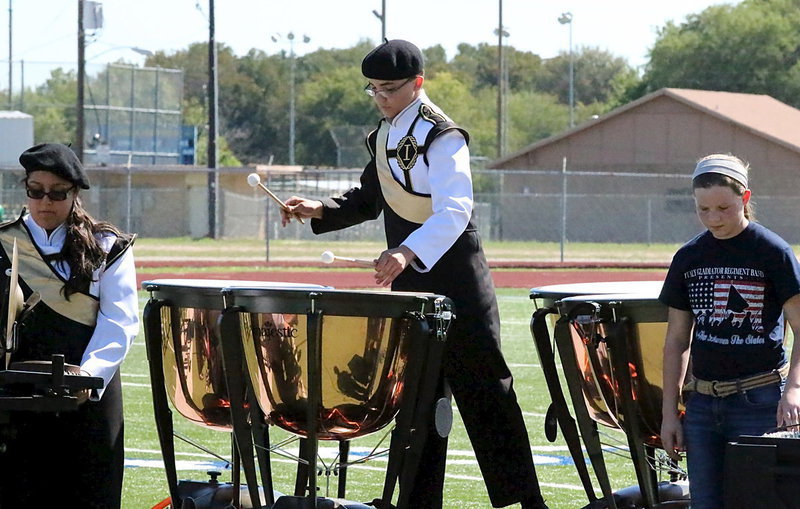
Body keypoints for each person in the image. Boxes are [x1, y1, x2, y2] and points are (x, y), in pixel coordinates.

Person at [280, 40, 547, 509]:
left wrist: (405, 251)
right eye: (373, 90)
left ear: (416, 84)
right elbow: (368, 197)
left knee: (486, 394)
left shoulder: (443, 135)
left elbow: (455, 210)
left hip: (458, 279)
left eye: (389, 88)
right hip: (413, 282)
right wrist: (317, 208)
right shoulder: (383, 134)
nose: (380, 97)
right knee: (418, 401)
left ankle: (527, 502)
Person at [0, 143, 139, 508]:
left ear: (74, 194)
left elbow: (120, 321)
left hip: (89, 399)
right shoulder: (2, 241)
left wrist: (84, 379)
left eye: (57, 193)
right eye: (36, 191)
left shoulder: (109, 246)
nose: (45, 202)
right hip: (17, 399)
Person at [659, 154, 800, 509]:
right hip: (703, 405)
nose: (713, 218)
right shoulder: (689, 257)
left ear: (745, 199)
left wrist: (794, 390)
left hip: (760, 400)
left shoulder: (774, 252)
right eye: (703, 209)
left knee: (757, 502)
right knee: (704, 504)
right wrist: (669, 413)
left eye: (724, 207)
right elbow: (676, 341)